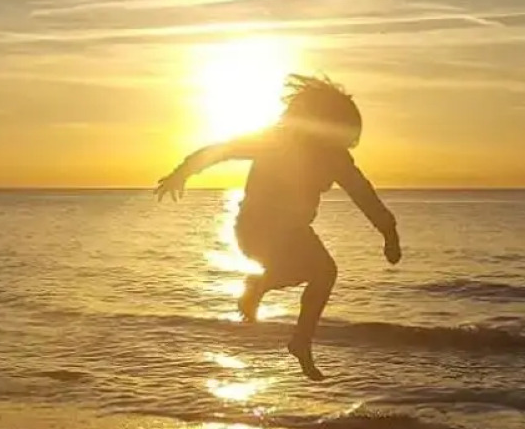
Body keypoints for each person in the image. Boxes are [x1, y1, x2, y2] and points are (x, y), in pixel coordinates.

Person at [156, 75, 401, 381]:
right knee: (323, 271)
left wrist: (388, 231)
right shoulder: (274, 141)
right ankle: (261, 292)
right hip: (257, 229)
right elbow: (222, 149)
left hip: (289, 232)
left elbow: (363, 195)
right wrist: (182, 172)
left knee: (324, 273)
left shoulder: (335, 158)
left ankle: (299, 339)